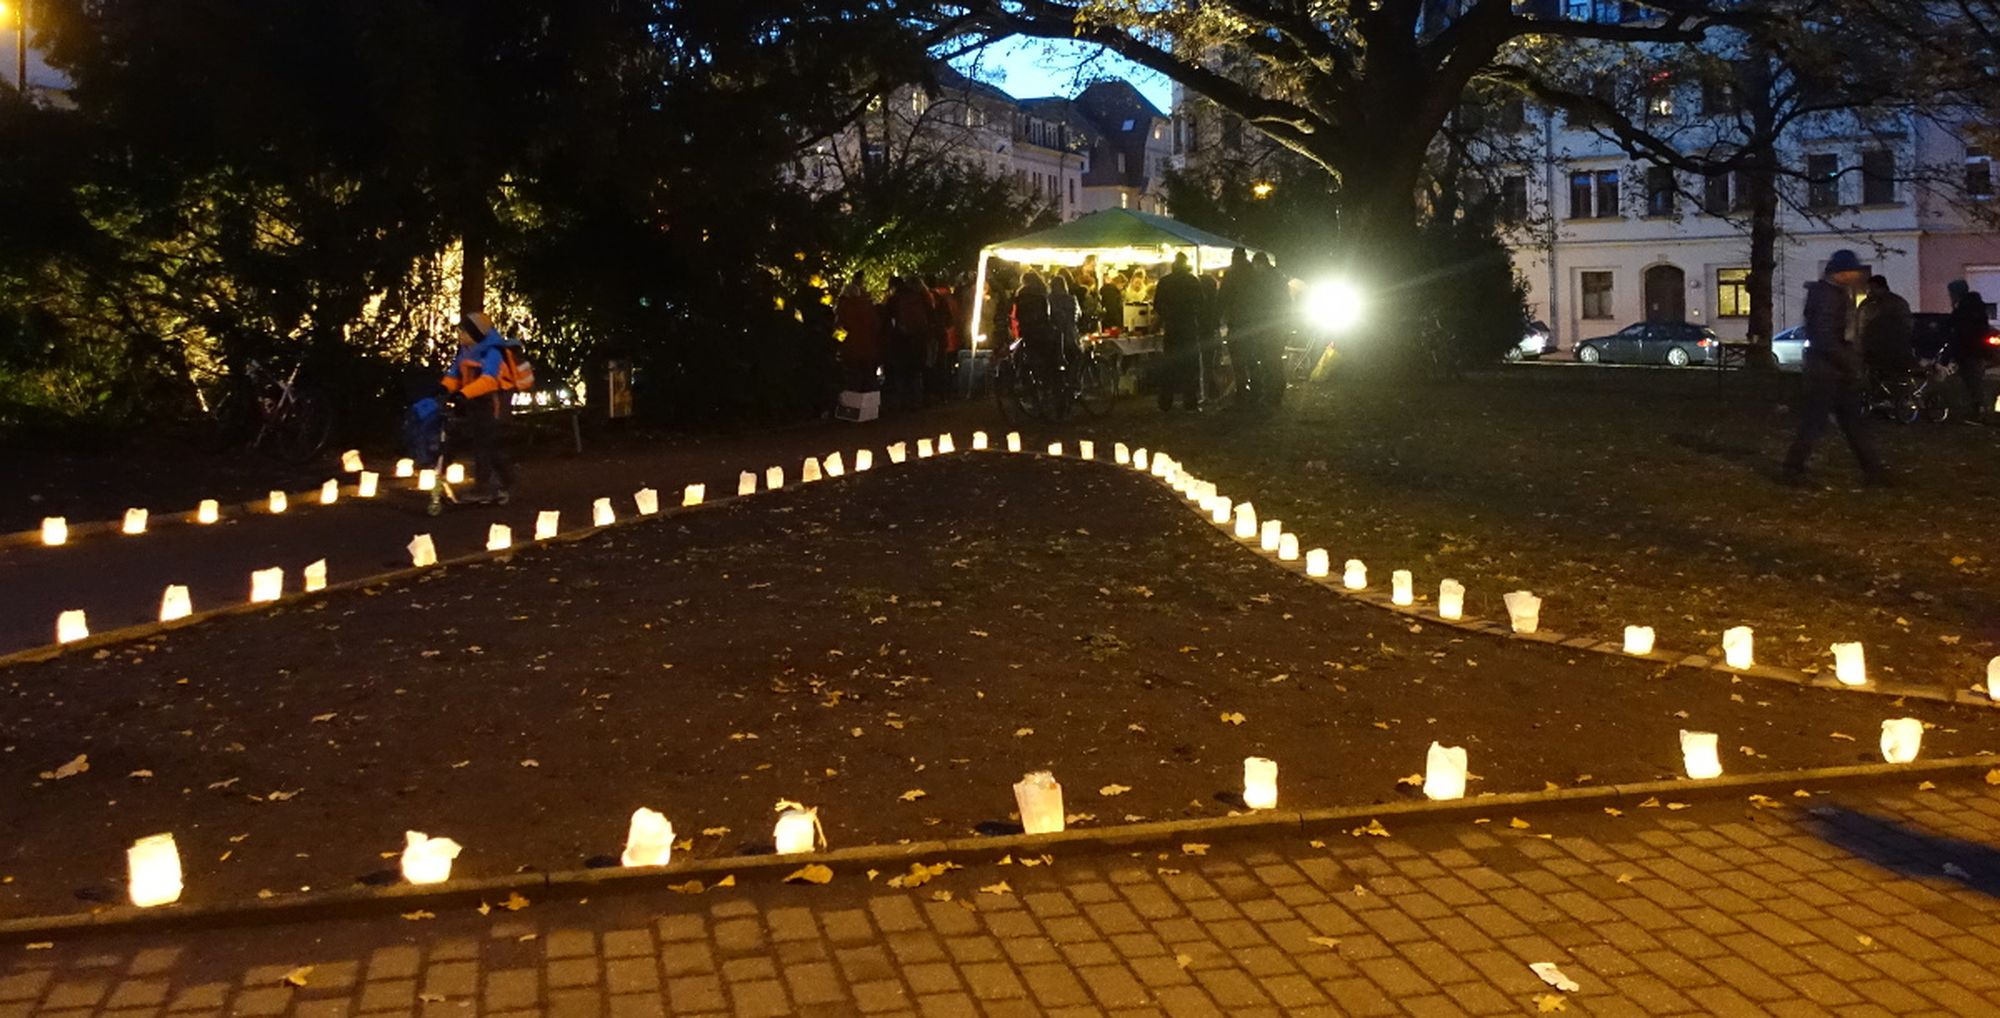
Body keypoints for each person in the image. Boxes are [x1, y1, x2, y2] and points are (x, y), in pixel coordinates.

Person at [1783, 250, 1888, 486]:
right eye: (1852, 270)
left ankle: (1873, 470)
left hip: (1832, 370)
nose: (1856, 275)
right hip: (1826, 371)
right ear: (1841, 272)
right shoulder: (1827, 296)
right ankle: (1792, 468)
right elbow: (1825, 337)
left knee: (1847, 421)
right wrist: (1849, 363)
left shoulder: (1834, 293)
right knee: (1819, 422)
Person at [439, 310, 522, 503]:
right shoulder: (465, 351)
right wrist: (444, 388)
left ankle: (483, 487)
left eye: (463, 332)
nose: (459, 336)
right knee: (485, 443)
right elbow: (455, 373)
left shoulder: (492, 352)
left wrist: (463, 394)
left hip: (490, 402)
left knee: (484, 445)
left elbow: (488, 380)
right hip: (472, 401)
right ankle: (506, 479)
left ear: (475, 335)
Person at [1152, 252, 1206, 411]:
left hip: (1172, 328)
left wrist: (1166, 316)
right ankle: (1190, 400)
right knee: (1190, 366)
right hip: (1189, 327)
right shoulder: (1192, 281)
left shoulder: (1165, 282)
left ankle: (1165, 401)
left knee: (1170, 364)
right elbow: (1201, 303)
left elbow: (1157, 304)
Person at [885, 277, 933, 411]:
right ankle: (916, 401)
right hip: (918, 341)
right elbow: (930, 317)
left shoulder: (894, 300)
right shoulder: (920, 298)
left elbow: (886, 319)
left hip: (900, 341)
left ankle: (902, 402)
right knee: (915, 373)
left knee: (901, 373)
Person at [1946, 279, 1992, 421]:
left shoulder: (1966, 308)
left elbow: (1960, 328)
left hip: (1971, 350)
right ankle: (1977, 410)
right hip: (1972, 350)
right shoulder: (1972, 307)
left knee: (1973, 380)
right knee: (1972, 380)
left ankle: (1979, 411)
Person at [1858, 275, 1915, 385]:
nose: (1869, 291)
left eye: (1872, 288)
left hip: (1891, 351)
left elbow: (1905, 326)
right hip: (1871, 351)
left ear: (1881, 288)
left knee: (1892, 382)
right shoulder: (1866, 304)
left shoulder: (1895, 304)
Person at [1219, 248, 1258, 405]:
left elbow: (1222, 297)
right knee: (1253, 358)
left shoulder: (1231, 274)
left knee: (1238, 359)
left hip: (1236, 323)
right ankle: (1257, 389)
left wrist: (1218, 317)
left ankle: (1242, 391)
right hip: (1255, 323)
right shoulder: (1254, 274)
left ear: (1234, 258)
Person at [1252, 253, 1291, 407]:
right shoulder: (1279, 277)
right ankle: (1275, 393)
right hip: (1279, 325)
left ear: (1260, 264)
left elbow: (1262, 302)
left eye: (1255, 266)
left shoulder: (1265, 279)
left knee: (1270, 361)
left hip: (1270, 326)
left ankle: (1272, 395)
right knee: (1273, 359)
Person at [835, 278, 884, 393]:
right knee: (869, 377)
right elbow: (876, 326)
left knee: (853, 379)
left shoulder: (843, 307)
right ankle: (872, 404)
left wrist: (838, 344)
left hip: (850, 348)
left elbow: (840, 328)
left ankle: (853, 405)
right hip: (868, 347)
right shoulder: (867, 306)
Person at [1197, 271, 1224, 402]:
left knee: (1206, 365)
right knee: (1213, 364)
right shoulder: (1217, 299)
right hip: (1214, 333)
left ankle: (1208, 392)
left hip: (1205, 333)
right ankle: (1214, 392)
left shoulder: (1202, 301)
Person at [1048, 270, 1081, 361]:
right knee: (1074, 358)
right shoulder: (1071, 299)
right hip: (1070, 333)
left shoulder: (1049, 299)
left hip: (1053, 334)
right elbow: (1076, 316)